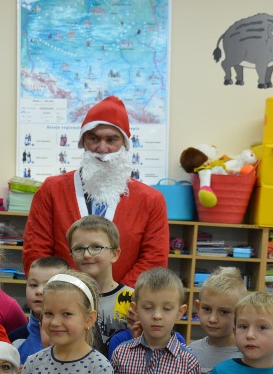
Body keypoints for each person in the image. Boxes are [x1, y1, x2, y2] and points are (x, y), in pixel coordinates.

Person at [23, 95, 168, 287]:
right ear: (83, 141)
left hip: (125, 301)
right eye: (94, 138)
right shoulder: (52, 190)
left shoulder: (151, 200)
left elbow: (154, 259)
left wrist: (116, 297)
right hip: (62, 297)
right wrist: (64, 294)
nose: (102, 148)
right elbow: (36, 251)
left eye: (111, 139)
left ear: (124, 144)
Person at [68, 216, 134, 351]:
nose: (87, 255)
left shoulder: (132, 298)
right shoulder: (66, 298)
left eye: (96, 247)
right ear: (71, 255)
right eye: (79, 248)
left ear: (114, 254)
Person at [189, 267, 247, 374]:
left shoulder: (248, 355)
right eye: (207, 309)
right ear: (198, 308)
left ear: (240, 313)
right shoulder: (189, 352)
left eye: (224, 312)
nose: (213, 319)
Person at [10, 256, 68, 364]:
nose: (39, 291)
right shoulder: (15, 339)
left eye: (49, 286)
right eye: (33, 285)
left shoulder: (76, 336)